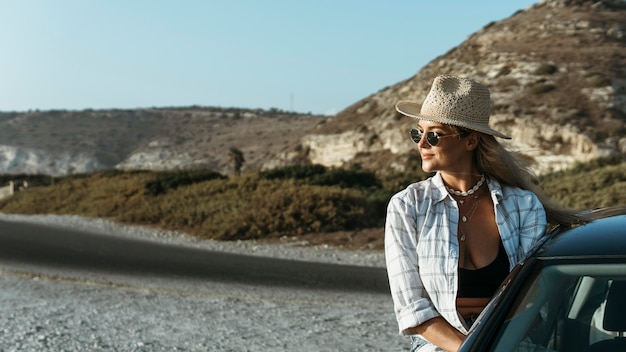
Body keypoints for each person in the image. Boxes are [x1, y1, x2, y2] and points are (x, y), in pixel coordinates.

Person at [385, 75, 581, 352]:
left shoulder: (523, 206)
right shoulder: (408, 206)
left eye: (434, 135)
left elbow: (533, 299)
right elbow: (412, 307)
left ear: (470, 141)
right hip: (438, 346)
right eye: (418, 133)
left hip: (513, 342)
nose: (422, 145)